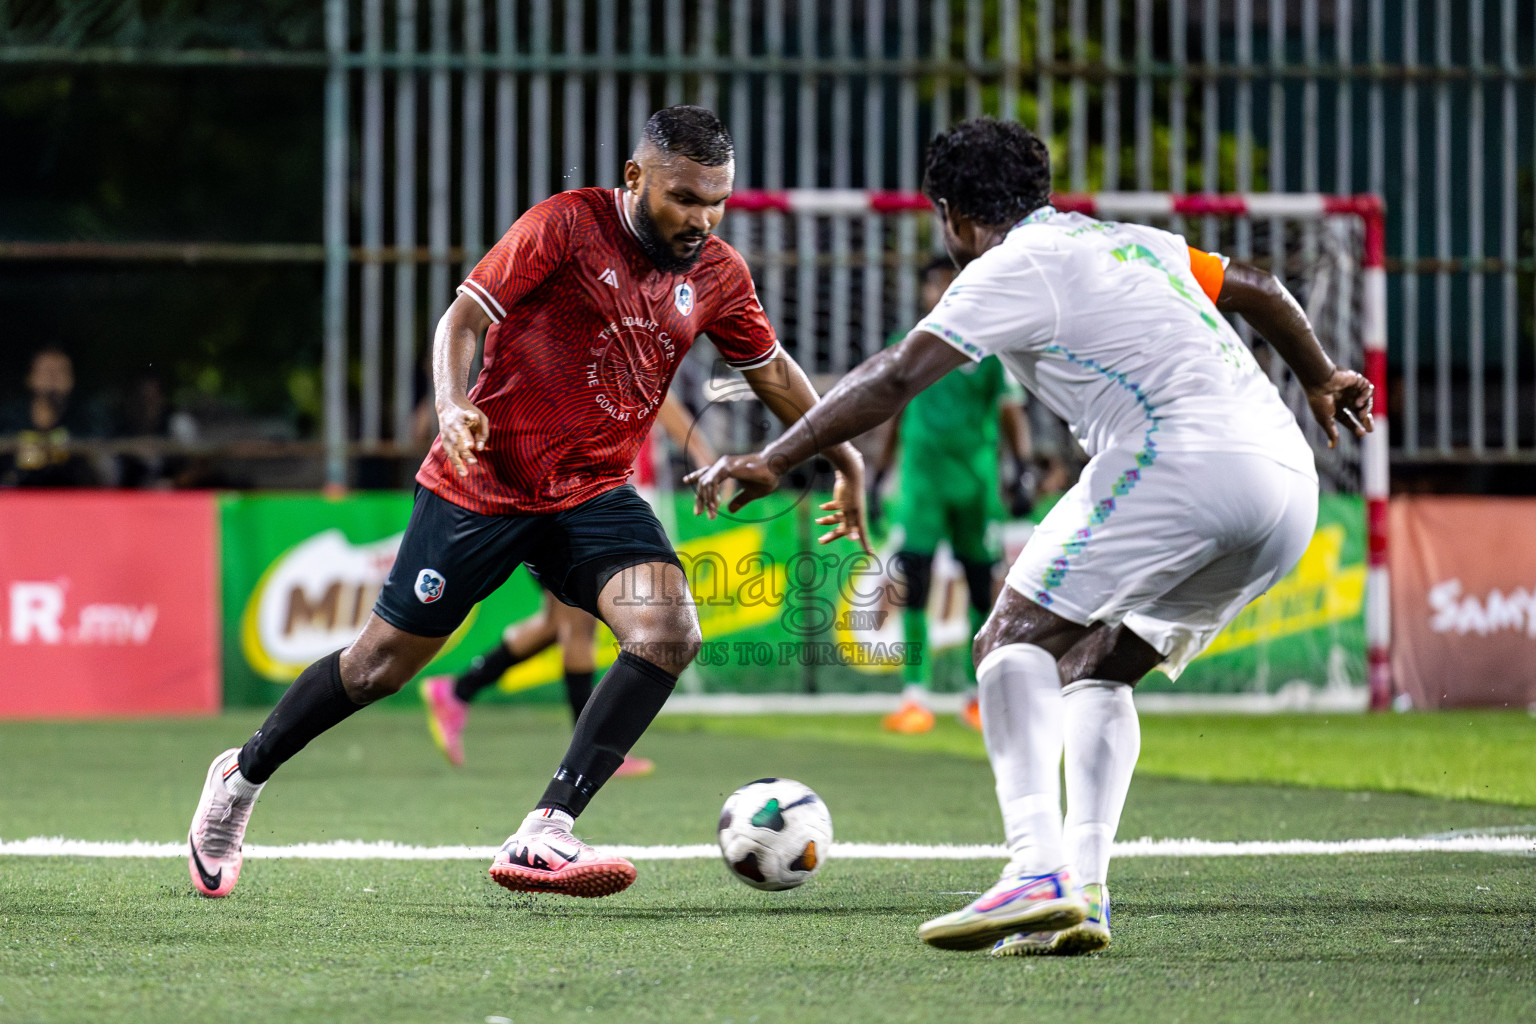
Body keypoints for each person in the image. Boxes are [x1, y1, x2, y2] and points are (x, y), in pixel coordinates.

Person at [690, 117, 1372, 955]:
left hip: (1179, 463)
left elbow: (896, 375)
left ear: (952, 216)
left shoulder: (1010, 264)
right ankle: (1083, 891)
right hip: (1287, 484)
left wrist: (774, 455)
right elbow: (1261, 285)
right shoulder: (1131, 241)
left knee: (1011, 637)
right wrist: (1322, 375)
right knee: (1100, 666)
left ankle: (1034, 866)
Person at [186, 105, 869, 901]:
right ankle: (239, 778)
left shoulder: (716, 273)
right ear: (636, 177)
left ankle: (548, 828)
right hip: (486, 482)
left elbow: (777, 374)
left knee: (668, 627)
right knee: (377, 668)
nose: (702, 217)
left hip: (592, 492)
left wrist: (845, 460)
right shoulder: (565, 226)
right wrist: (451, 408)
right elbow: (462, 318)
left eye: (717, 198)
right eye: (686, 196)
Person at [419, 391, 719, 774]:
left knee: (555, 624)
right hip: (564, 501)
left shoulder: (626, 359)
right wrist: (701, 452)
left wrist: (699, 452)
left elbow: (662, 400)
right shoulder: (599, 359)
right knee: (577, 627)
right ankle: (596, 751)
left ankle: (457, 691)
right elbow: (663, 401)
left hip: (583, 497)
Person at [873, 258, 1029, 735]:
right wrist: (880, 473)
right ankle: (914, 696)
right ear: (923, 294)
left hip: (976, 484)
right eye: (933, 285)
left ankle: (976, 695)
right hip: (922, 483)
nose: (940, 293)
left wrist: (1020, 467)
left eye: (949, 284)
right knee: (914, 582)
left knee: (982, 587)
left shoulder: (989, 350)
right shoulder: (909, 345)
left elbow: (1010, 413)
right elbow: (892, 411)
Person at [1, 346, 105, 487]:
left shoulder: (86, 420)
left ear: (71, 380)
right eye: (46, 371)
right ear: (30, 378)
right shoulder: (8, 419)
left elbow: (102, 462)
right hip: (17, 498)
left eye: (60, 371)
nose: (52, 377)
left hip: (70, 498)